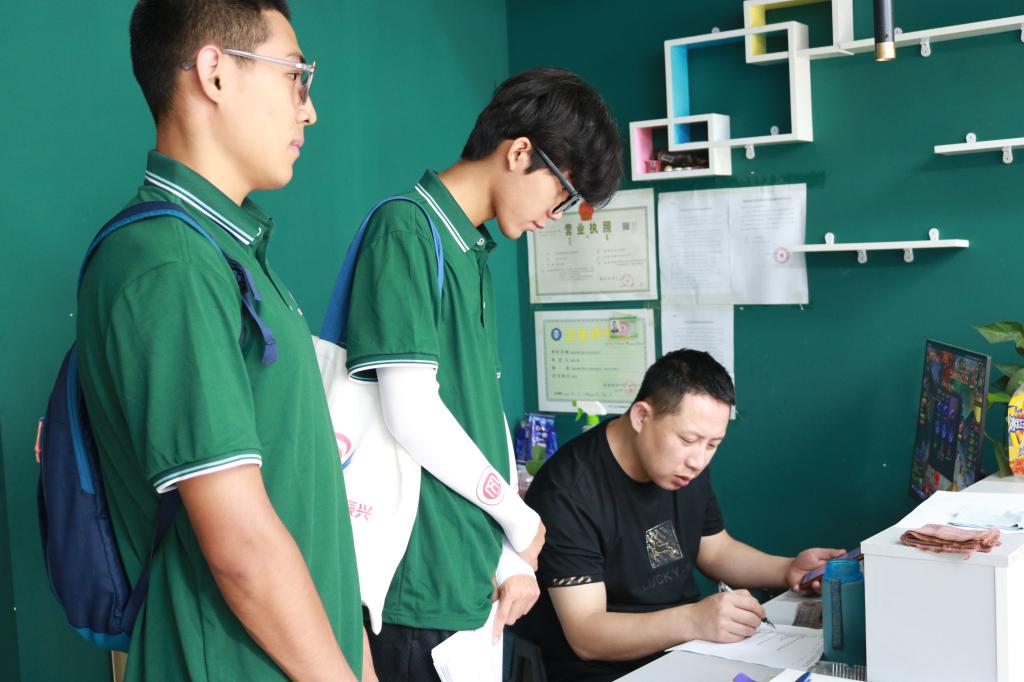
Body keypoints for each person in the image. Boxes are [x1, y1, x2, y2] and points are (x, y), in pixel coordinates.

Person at [76, 1, 368, 679]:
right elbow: (240, 546)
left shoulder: (222, 251)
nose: (308, 109)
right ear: (214, 73)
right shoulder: (170, 264)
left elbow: (303, 504)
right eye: (295, 76)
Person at [342, 67, 623, 680]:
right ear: (520, 153)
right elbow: (410, 412)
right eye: (562, 195)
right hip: (418, 577)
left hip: (468, 571)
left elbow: (474, 415)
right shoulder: (408, 229)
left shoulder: (470, 250)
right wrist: (519, 519)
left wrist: (504, 552)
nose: (555, 215)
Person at [516, 349, 845, 681]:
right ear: (641, 417)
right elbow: (587, 635)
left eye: (713, 444)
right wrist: (693, 620)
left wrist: (787, 569)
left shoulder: (682, 466)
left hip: (686, 650)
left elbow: (715, 549)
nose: (698, 460)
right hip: (607, 671)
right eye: (689, 440)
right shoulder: (568, 492)